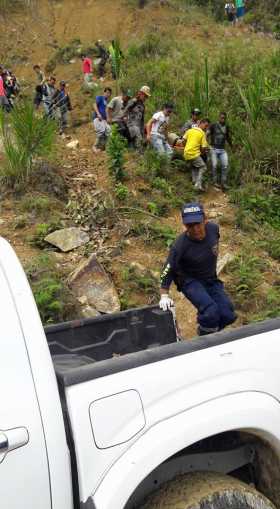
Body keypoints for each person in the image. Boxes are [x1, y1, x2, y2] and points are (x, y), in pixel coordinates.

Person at [159, 202, 236, 336]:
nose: (195, 229)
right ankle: (204, 336)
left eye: (198, 224)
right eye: (190, 225)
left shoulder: (213, 229)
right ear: (184, 225)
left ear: (205, 220)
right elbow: (167, 268)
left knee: (227, 313)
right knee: (210, 311)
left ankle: (211, 331)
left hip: (210, 278)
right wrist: (164, 295)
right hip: (189, 280)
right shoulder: (180, 245)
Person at [183, 119, 210, 192]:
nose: (206, 127)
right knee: (203, 167)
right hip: (194, 154)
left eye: (207, 126)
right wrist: (203, 153)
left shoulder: (190, 130)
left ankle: (194, 181)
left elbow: (183, 141)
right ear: (200, 124)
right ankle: (198, 185)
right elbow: (204, 148)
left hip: (186, 153)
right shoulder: (202, 133)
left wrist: (186, 148)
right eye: (206, 125)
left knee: (194, 166)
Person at [209, 112, 233, 191]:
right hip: (214, 149)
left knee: (225, 165)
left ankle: (223, 183)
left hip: (222, 150)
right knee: (214, 165)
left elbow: (228, 137)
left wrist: (232, 146)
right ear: (219, 118)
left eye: (224, 118)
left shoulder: (227, 127)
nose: (223, 119)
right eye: (221, 117)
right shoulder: (213, 125)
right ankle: (214, 182)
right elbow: (207, 133)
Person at [122, 85, 151, 150]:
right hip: (131, 124)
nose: (145, 98)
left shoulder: (143, 106)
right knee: (139, 141)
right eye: (145, 96)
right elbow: (125, 110)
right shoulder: (134, 101)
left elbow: (142, 119)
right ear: (140, 93)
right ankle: (140, 155)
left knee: (141, 141)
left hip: (138, 126)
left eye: (147, 97)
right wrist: (124, 117)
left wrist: (143, 130)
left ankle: (136, 155)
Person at [93, 87, 112, 153]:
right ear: (104, 92)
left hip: (104, 120)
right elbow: (94, 104)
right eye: (107, 92)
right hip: (98, 118)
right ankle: (95, 147)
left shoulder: (107, 102)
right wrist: (98, 114)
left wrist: (108, 119)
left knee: (108, 131)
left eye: (109, 93)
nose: (108, 94)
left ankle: (104, 148)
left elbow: (107, 112)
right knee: (101, 132)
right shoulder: (100, 97)